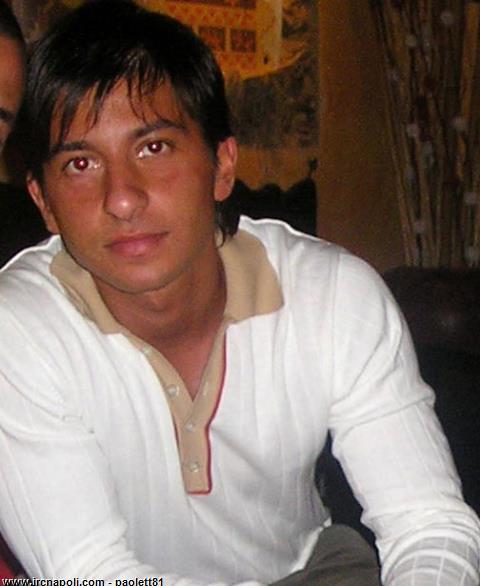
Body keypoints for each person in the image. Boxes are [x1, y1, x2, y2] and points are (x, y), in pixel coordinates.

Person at [0, 0, 479, 583]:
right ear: (43, 201)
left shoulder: (330, 295)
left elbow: (429, 524)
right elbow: (89, 571)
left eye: (154, 148)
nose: (121, 198)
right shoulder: (18, 330)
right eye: (80, 163)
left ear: (223, 165)